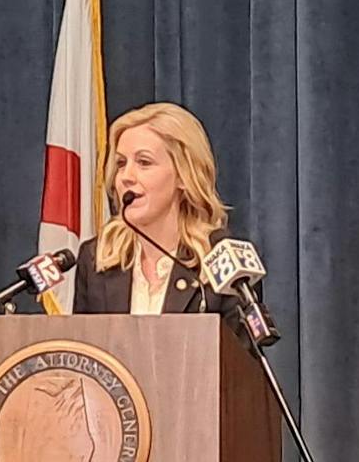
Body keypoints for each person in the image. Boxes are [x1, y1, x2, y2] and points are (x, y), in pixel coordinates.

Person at [71, 101, 245, 315]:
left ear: (184, 175)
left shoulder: (221, 258)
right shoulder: (97, 258)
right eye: (121, 164)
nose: (126, 177)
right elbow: (81, 348)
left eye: (144, 162)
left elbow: (241, 348)